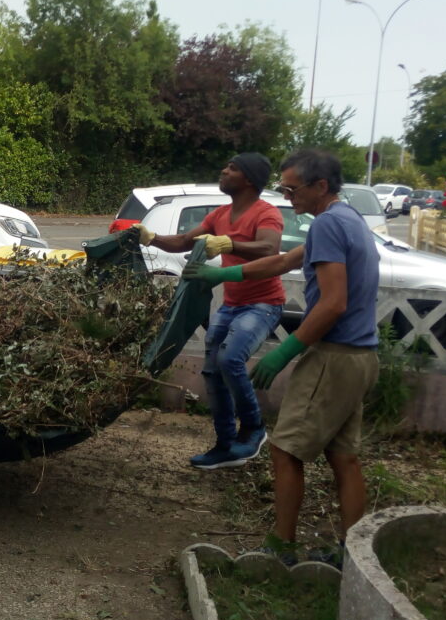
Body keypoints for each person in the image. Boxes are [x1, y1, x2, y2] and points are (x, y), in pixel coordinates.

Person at [192, 149, 380, 566]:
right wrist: (223, 274)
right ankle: (355, 557)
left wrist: (285, 351)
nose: (286, 195)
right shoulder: (346, 219)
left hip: (334, 355)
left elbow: (332, 304)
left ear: (321, 187)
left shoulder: (330, 223)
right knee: (343, 456)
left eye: (292, 188)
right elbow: (279, 261)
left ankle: (280, 550)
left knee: (285, 451)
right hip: (362, 356)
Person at [134, 152, 285, 469]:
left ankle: (254, 429)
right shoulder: (220, 214)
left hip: (264, 303)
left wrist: (229, 243)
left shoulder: (266, 213)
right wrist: (151, 238)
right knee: (212, 371)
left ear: (248, 179)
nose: (224, 169)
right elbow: (184, 241)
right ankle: (225, 445)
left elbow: (269, 248)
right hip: (232, 304)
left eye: (232, 168)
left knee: (230, 359)